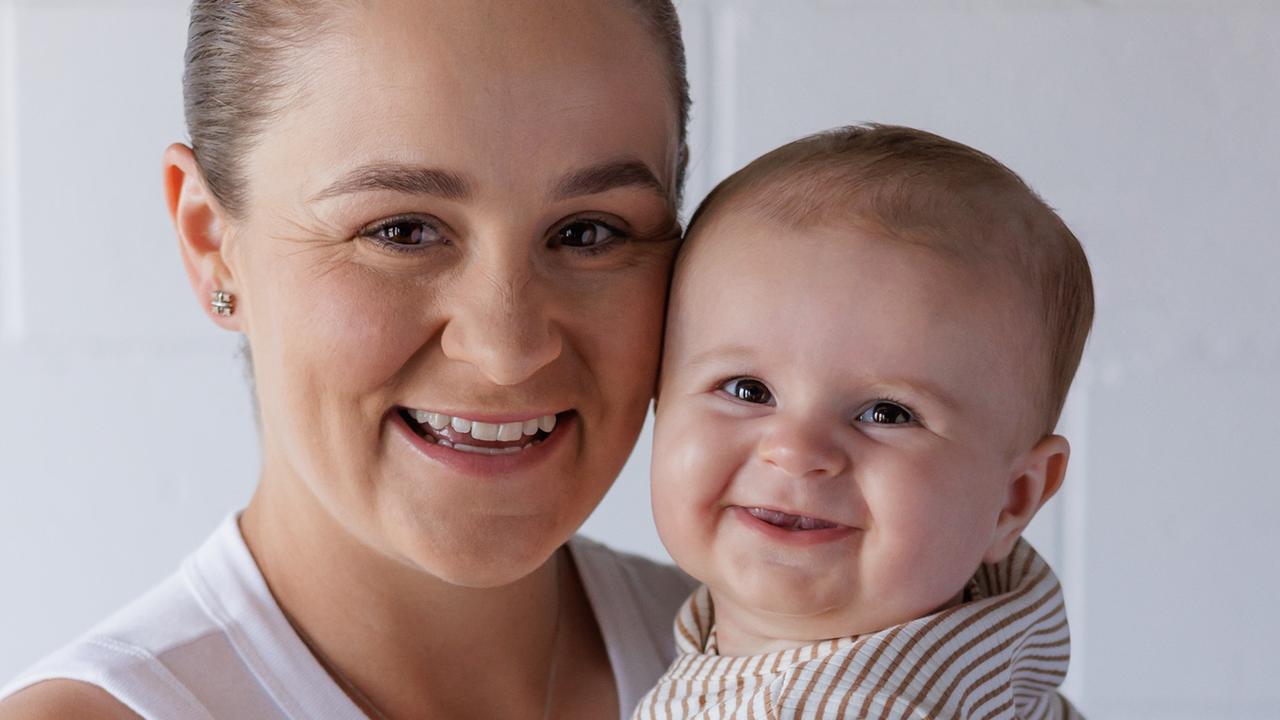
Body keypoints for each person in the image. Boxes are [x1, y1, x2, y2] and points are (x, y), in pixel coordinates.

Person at [0, 1, 698, 718]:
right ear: (211, 244)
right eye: (402, 230)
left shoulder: (785, 672)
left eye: (588, 233)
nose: (507, 351)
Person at [633, 125, 1093, 719]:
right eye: (748, 390)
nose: (796, 450)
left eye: (886, 413)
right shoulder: (997, 645)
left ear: (1013, 497)